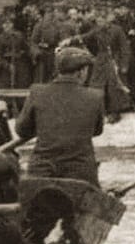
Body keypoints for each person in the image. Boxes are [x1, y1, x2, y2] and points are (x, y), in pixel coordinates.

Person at [15, 46, 106, 187]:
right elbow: (97, 130)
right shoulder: (95, 96)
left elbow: (21, 130)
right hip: (81, 175)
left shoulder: (37, 92)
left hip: (42, 172)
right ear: (81, 72)